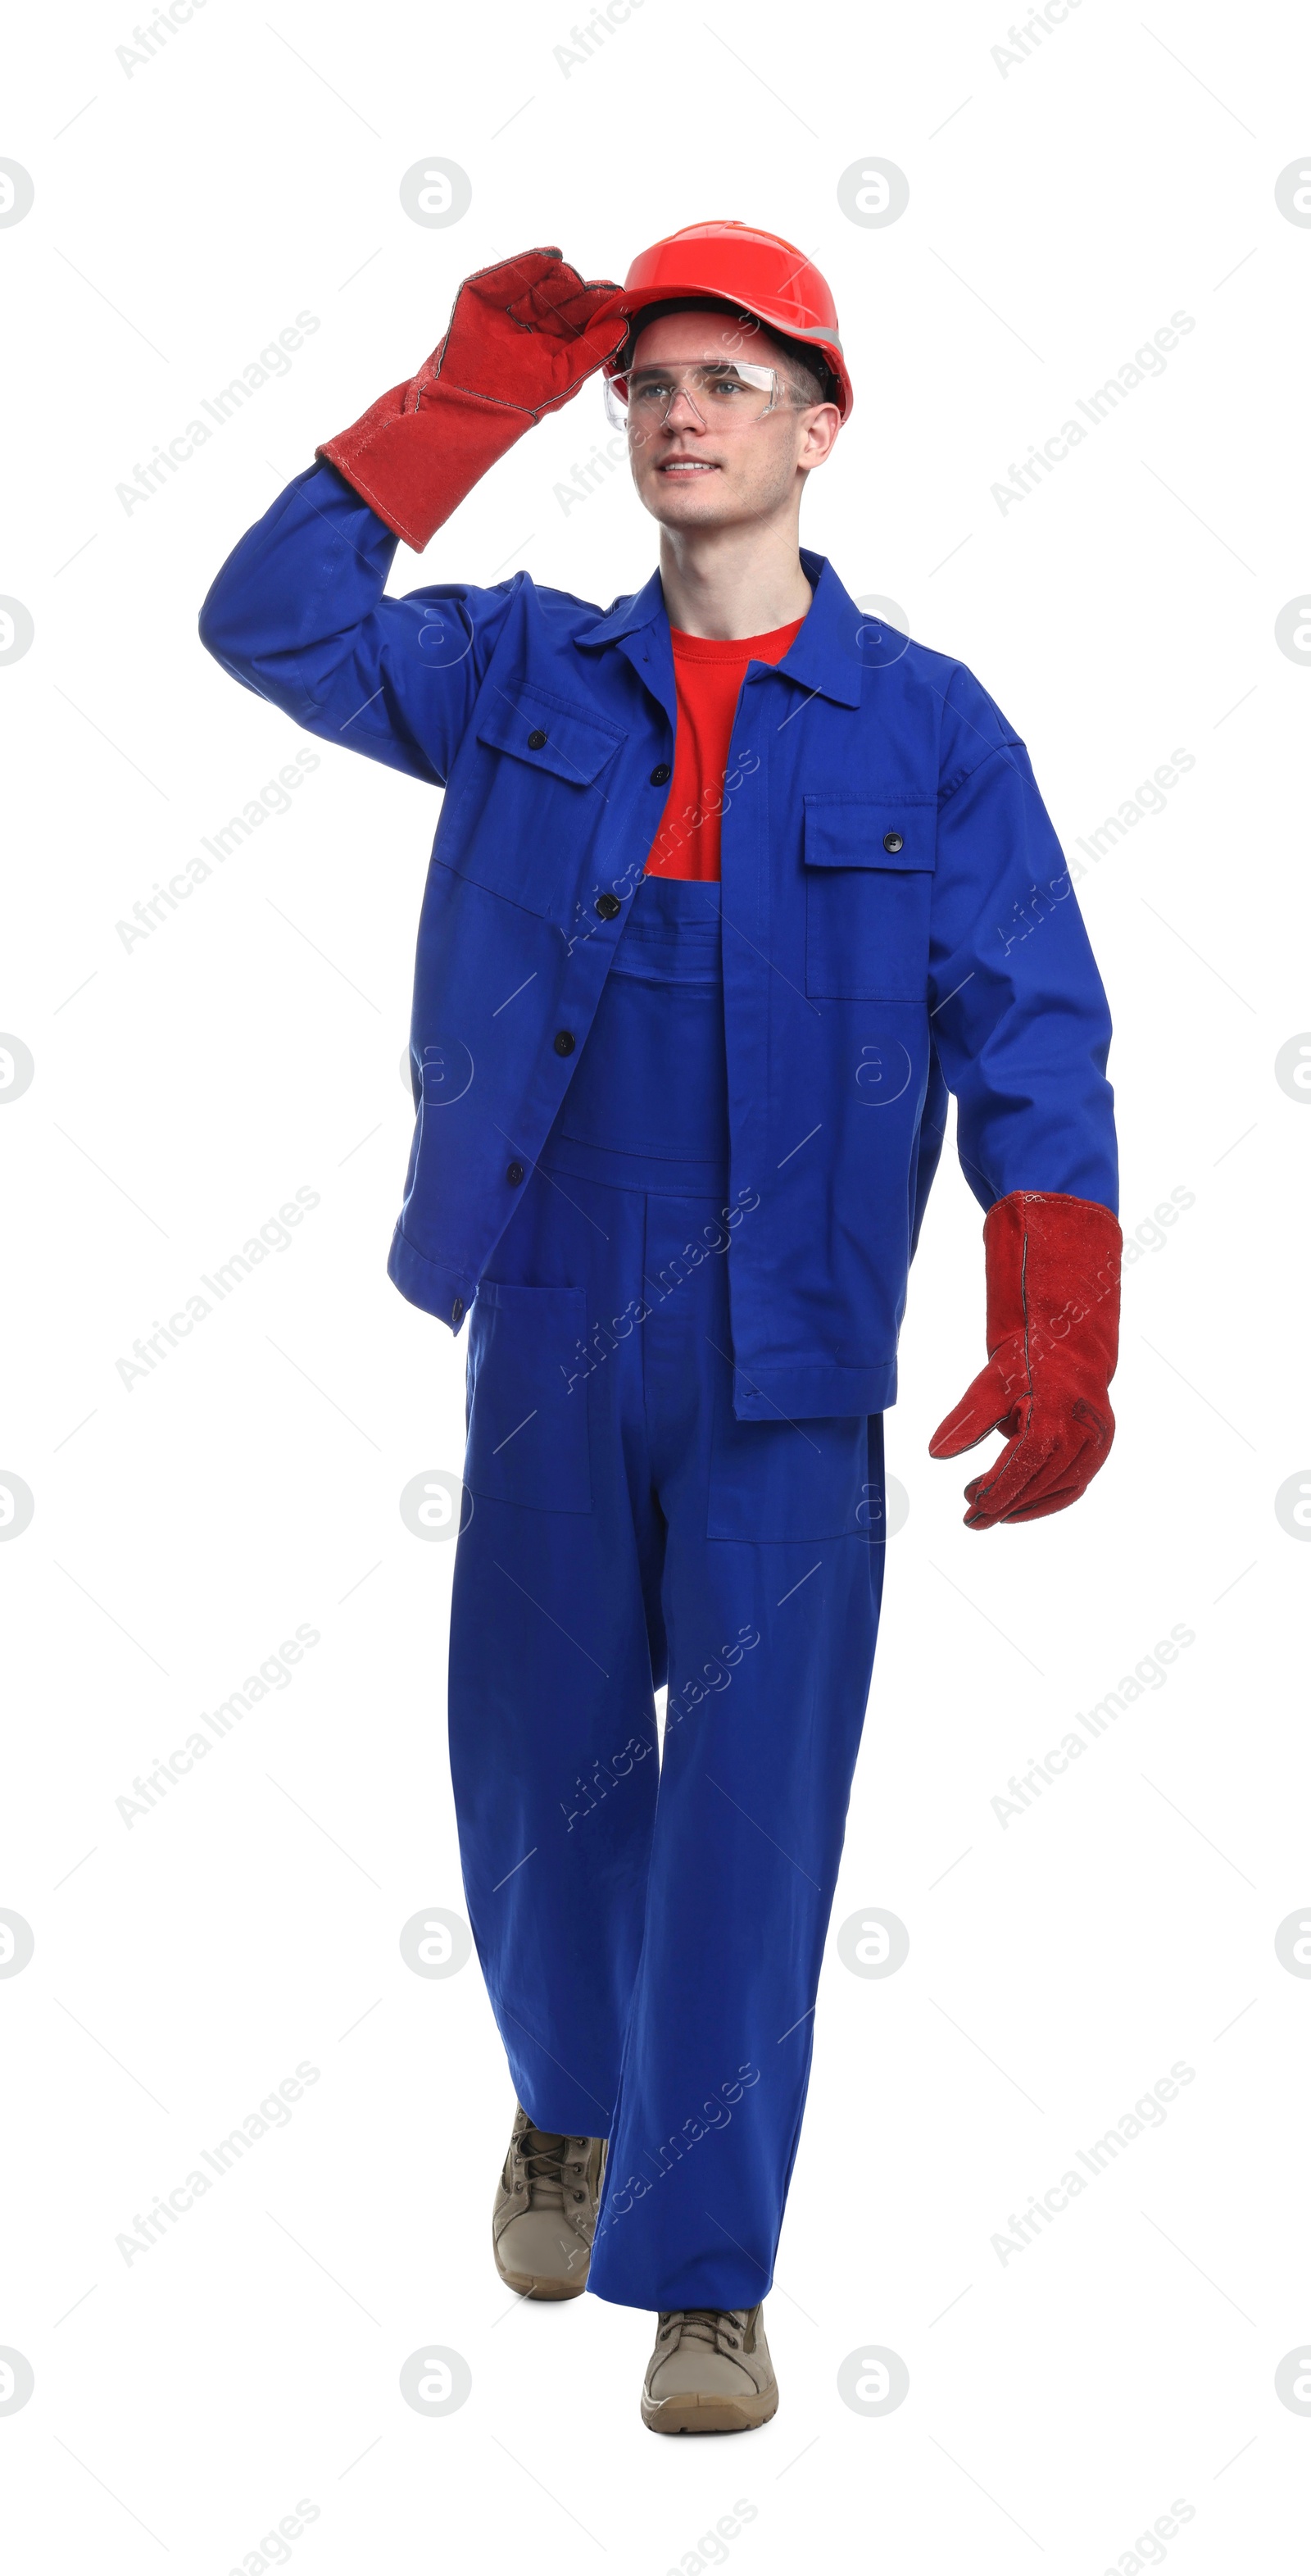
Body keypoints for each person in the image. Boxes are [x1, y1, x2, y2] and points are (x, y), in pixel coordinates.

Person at [199, 220, 1121, 2435]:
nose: (682, 412)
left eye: (728, 378)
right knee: (537, 1769)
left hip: (796, 1344)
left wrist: (1057, 1311)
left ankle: (704, 2272)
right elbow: (270, 621)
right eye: (648, 382)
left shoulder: (930, 725)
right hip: (551, 1298)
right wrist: (462, 390)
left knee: (754, 1814)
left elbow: (1038, 1032)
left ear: (819, 424)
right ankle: (571, 2104)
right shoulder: (525, 675)